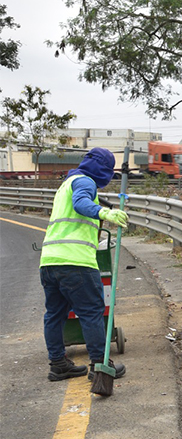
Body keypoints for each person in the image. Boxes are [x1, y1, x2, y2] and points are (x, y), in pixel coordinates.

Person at [40, 147, 128, 383]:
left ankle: (58, 364)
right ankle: (100, 365)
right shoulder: (85, 182)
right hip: (75, 261)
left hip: (49, 261)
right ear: (103, 170)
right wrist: (104, 213)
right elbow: (81, 204)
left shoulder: (66, 184)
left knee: (55, 315)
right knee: (91, 312)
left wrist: (103, 207)